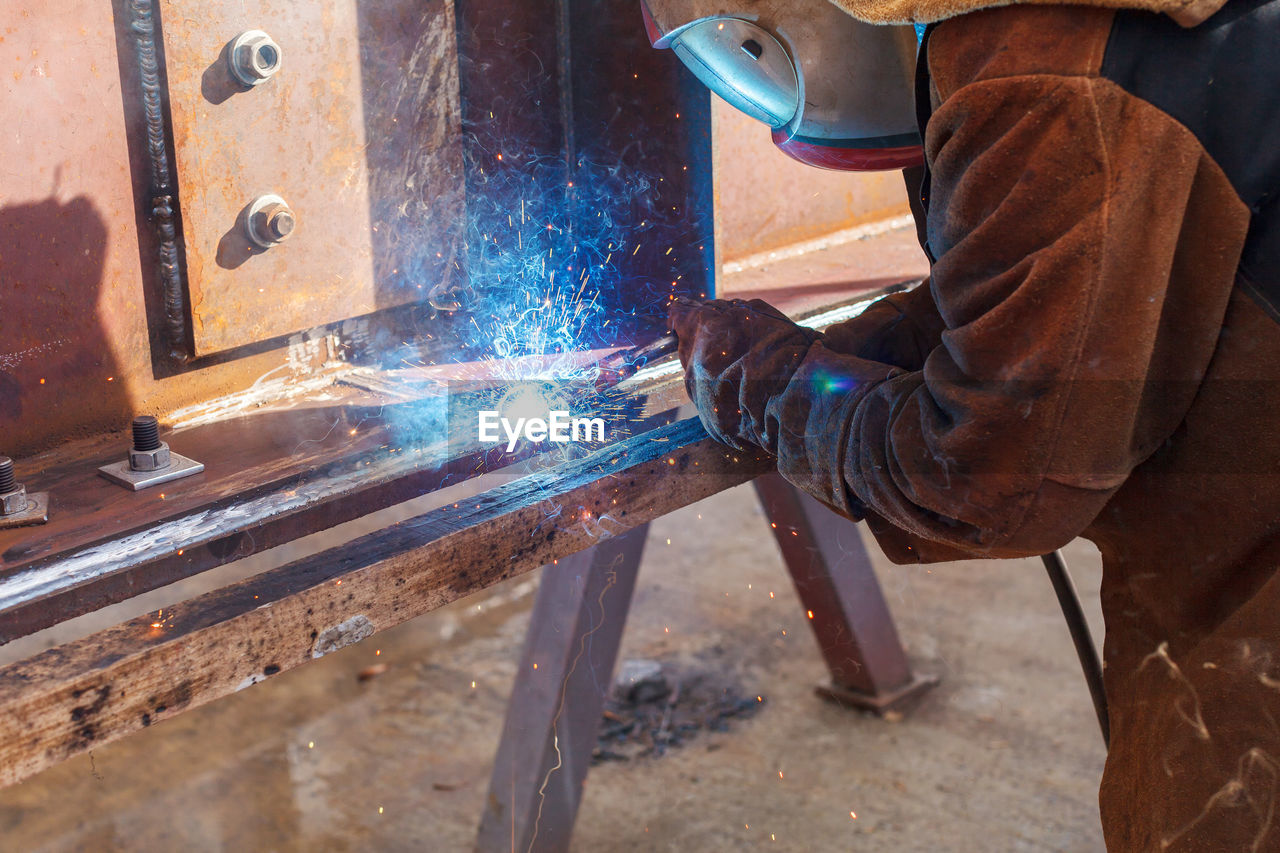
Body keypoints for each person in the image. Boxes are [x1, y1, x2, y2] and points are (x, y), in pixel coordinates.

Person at [665, 0, 1280, 848]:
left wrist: (768, 389)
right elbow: (1083, 267)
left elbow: (990, 476)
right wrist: (852, 350)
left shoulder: (1034, 57)